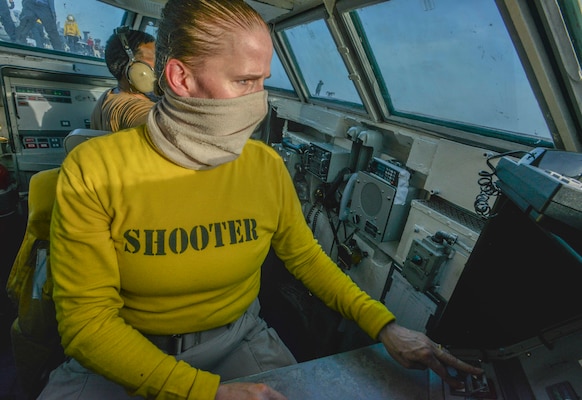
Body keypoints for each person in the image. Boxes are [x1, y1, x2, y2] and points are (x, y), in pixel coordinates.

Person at [38, 0, 483, 399]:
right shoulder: (95, 169)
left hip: (236, 341)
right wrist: (204, 392)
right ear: (180, 77)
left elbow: (306, 258)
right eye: (245, 81)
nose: (260, 102)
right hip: (126, 349)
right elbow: (88, 323)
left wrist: (384, 325)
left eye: (263, 81)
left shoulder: (264, 166)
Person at [90, 28, 156, 132]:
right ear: (135, 69)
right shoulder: (134, 109)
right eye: (154, 60)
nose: (161, 67)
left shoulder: (108, 96)